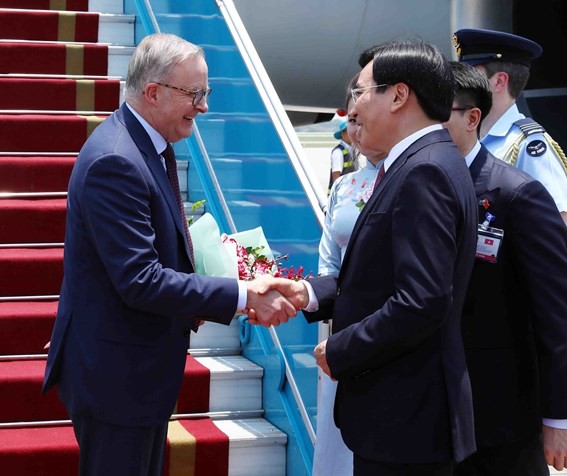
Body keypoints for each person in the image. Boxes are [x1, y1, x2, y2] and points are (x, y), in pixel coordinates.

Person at [41, 33, 295, 476]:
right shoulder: (116, 161)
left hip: (132, 372)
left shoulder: (147, 146)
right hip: (116, 378)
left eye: (206, 93)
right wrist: (242, 294)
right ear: (153, 92)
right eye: (195, 94)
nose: (204, 106)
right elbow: (140, 280)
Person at [259, 38, 479, 475]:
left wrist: (341, 350)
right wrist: (306, 293)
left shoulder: (425, 171)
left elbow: (422, 300)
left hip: (406, 419)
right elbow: (377, 278)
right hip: (403, 416)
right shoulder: (416, 163)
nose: (352, 108)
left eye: (360, 92)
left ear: (399, 95)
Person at [443, 60, 567, 475]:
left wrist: (560, 415)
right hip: (439, 401)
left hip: (502, 403)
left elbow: (554, 298)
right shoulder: (425, 177)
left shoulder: (524, 166)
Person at [313, 73, 385, 476]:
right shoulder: (346, 187)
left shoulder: (414, 177)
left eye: (362, 120)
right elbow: (328, 262)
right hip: (341, 332)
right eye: (351, 121)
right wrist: (308, 295)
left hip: (385, 331)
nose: (355, 131)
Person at [453, 28, 567, 226]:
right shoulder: (468, 137)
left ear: (499, 81)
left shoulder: (530, 147)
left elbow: (555, 238)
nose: (459, 85)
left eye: (470, 76)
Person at [328, 120, 358, 193]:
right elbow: (336, 175)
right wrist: (339, 194)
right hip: (341, 193)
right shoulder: (338, 152)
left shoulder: (352, 150)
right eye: (348, 131)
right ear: (342, 133)